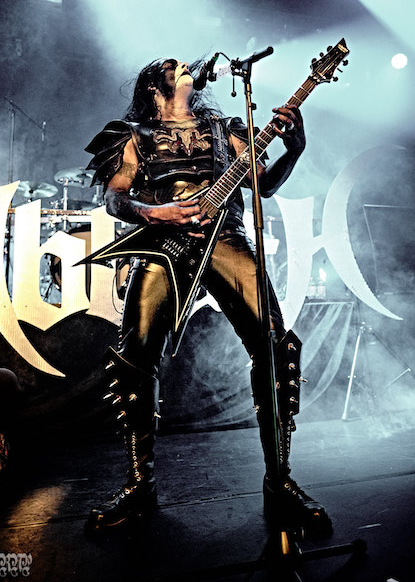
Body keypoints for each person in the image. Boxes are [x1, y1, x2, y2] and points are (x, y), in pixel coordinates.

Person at [84, 57, 331, 533]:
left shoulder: (226, 130)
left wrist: (294, 149)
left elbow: (264, 186)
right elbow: (114, 198)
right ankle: (139, 485)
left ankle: (279, 481)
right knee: (135, 355)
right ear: (154, 85)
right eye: (172, 65)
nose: (185, 65)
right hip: (161, 242)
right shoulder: (133, 134)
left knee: (274, 344)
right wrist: (155, 213)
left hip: (227, 239)